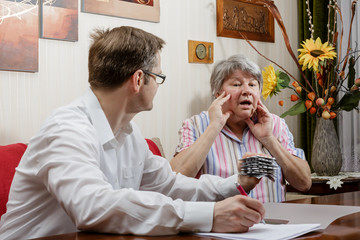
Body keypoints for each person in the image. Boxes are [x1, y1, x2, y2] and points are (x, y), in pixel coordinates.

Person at [0, 27, 265, 240]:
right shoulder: (66, 129)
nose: (159, 85)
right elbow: (93, 207)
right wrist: (209, 216)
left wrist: (235, 183)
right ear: (139, 79)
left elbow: (169, 185)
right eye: (158, 77)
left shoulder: (130, 134)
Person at [171, 54, 312, 203]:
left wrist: (269, 139)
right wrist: (214, 126)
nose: (247, 91)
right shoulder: (196, 125)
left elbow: (304, 183)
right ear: (218, 93)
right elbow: (174, 181)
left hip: (274, 222)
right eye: (237, 85)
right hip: (221, 223)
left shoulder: (276, 124)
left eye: (252, 85)